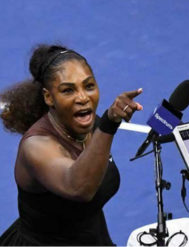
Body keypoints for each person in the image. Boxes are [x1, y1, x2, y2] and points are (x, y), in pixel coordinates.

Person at [0, 44, 143, 245]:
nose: (83, 98)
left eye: (89, 86)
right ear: (49, 97)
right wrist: (110, 124)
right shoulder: (36, 147)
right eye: (68, 90)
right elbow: (78, 187)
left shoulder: (92, 126)